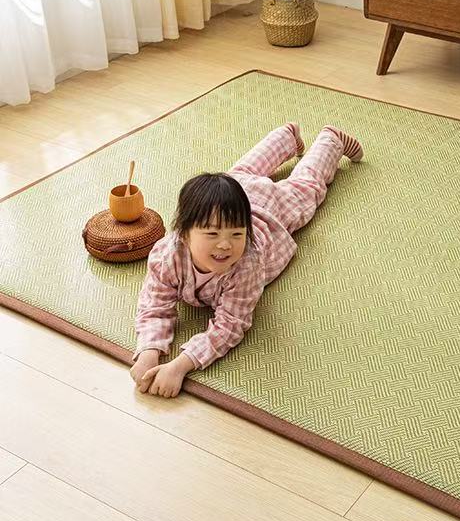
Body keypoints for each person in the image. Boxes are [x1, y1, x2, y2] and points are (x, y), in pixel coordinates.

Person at [129, 122, 363, 398]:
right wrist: (149, 349)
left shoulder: (246, 265)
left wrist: (181, 365)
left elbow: (230, 325)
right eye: (212, 234)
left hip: (269, 210)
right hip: (235, 194)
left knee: (304, 189)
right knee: (241, 173)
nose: (225, 245)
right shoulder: (166, 256)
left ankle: (330, 141)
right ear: (184, 233)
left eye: (237, 235)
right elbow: (154, 304)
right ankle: (286, 137)